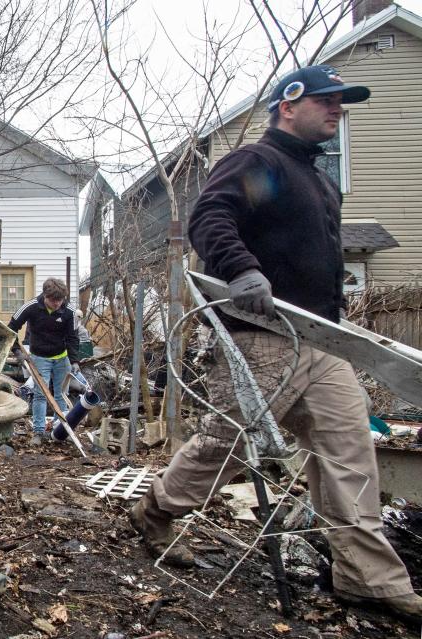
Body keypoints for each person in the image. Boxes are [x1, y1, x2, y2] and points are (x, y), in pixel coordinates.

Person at [129, 65, 422, 625]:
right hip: (264, 339)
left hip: (324, 343)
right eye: (327, 101)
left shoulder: (319, 179)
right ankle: (156, 510)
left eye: (343, 103)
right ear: (288, 105)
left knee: (350, 455)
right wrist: (241, 269)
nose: (338, 111)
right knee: (229, 446)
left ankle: (367, 580)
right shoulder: (261, 165)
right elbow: (212, 217)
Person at [8, 278, 80, 445]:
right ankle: (38, 432)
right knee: (41, 395)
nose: (57, 304)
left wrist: (75, 360)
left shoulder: (69, 311)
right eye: (54, 300)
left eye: (60, 300)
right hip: (39, 358)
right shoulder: (31, 306)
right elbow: (11, 327)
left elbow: (73, 337)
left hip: (62, 358)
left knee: (61, 395)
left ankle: (59, 431)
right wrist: (17, 350)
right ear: (45, 296)